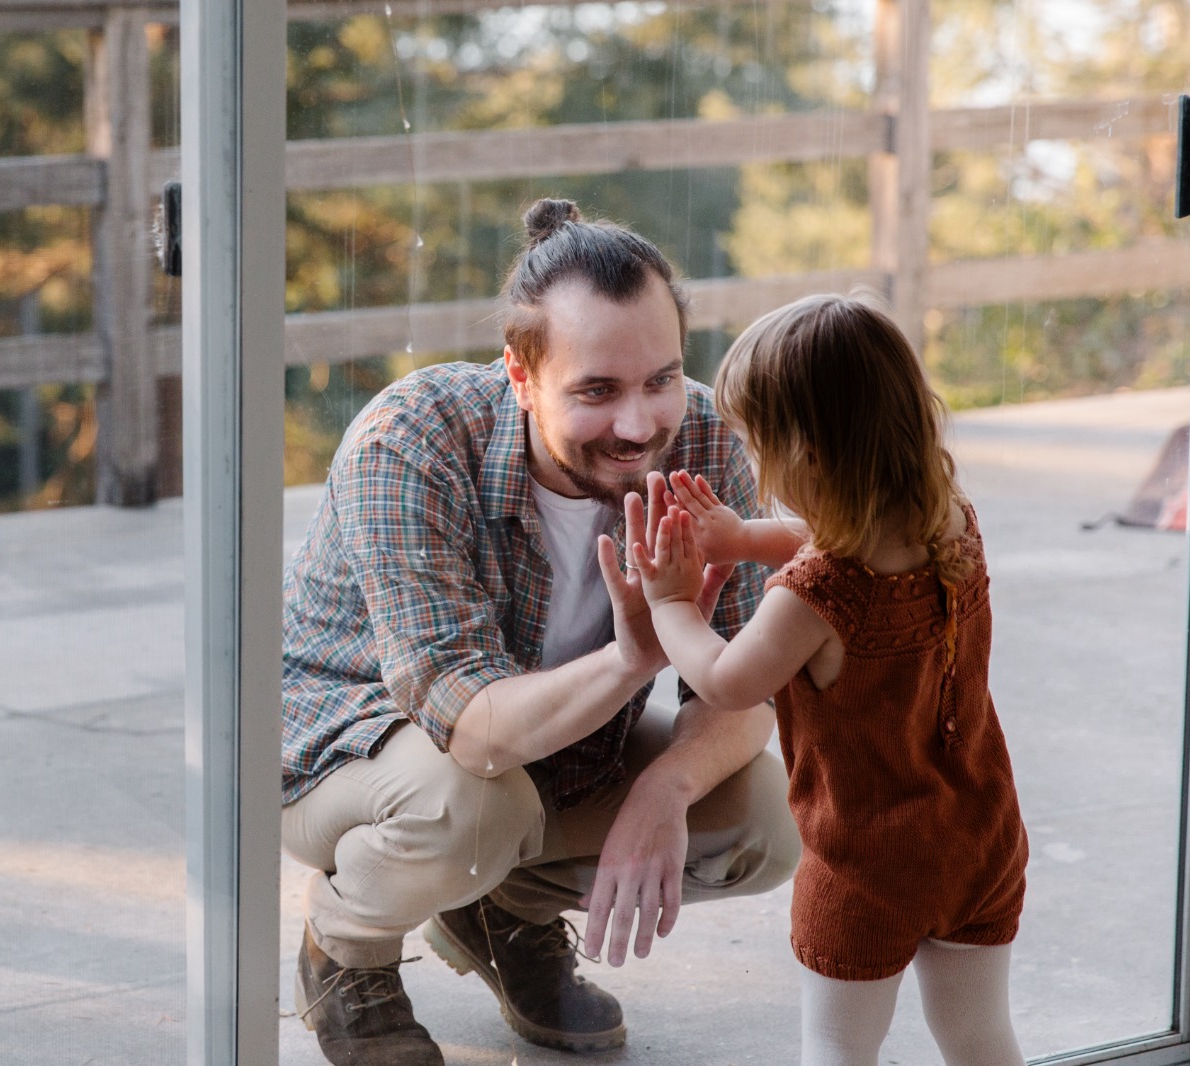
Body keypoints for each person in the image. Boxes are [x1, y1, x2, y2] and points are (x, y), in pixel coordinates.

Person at [281, 198, 801, 1066]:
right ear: (521, 375)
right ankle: (347, 949)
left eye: (660, 379)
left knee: (763, 820)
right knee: (478, 805)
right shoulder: (409, 440)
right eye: (597, 390)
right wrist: (634, 657)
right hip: (344, 751)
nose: (639, 427)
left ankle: (501, 916)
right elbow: (477, 730)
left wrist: (664, 790)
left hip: (545, 752)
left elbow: (747, 685)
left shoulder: (705, 434)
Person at [630, 293, 1029, 1066]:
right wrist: (746, 538)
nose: (751, 464)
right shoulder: (950, 518)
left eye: (756, 445)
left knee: (837, 1048)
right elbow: (849, 530)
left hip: (867, 867)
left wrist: (670, 602)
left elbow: (724, 681)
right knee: (978, 1036)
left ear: (805, 454)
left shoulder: (813, 599)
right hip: (979, 838)